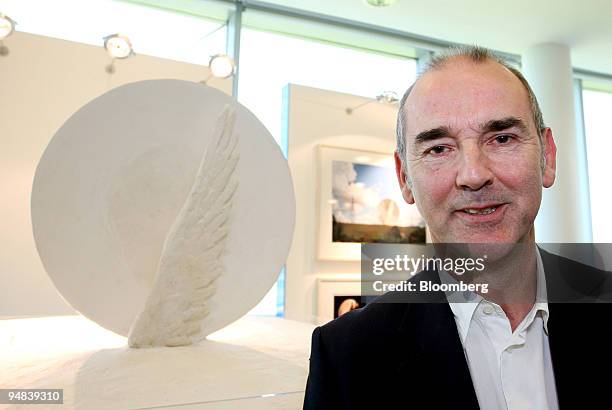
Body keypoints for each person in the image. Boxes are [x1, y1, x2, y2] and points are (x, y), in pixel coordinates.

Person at [303, 46, 612, 410]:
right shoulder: (348, 354)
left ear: (547, 156)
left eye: (501, 138)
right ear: (405, 179)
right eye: (438, 149)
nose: (474, 175)